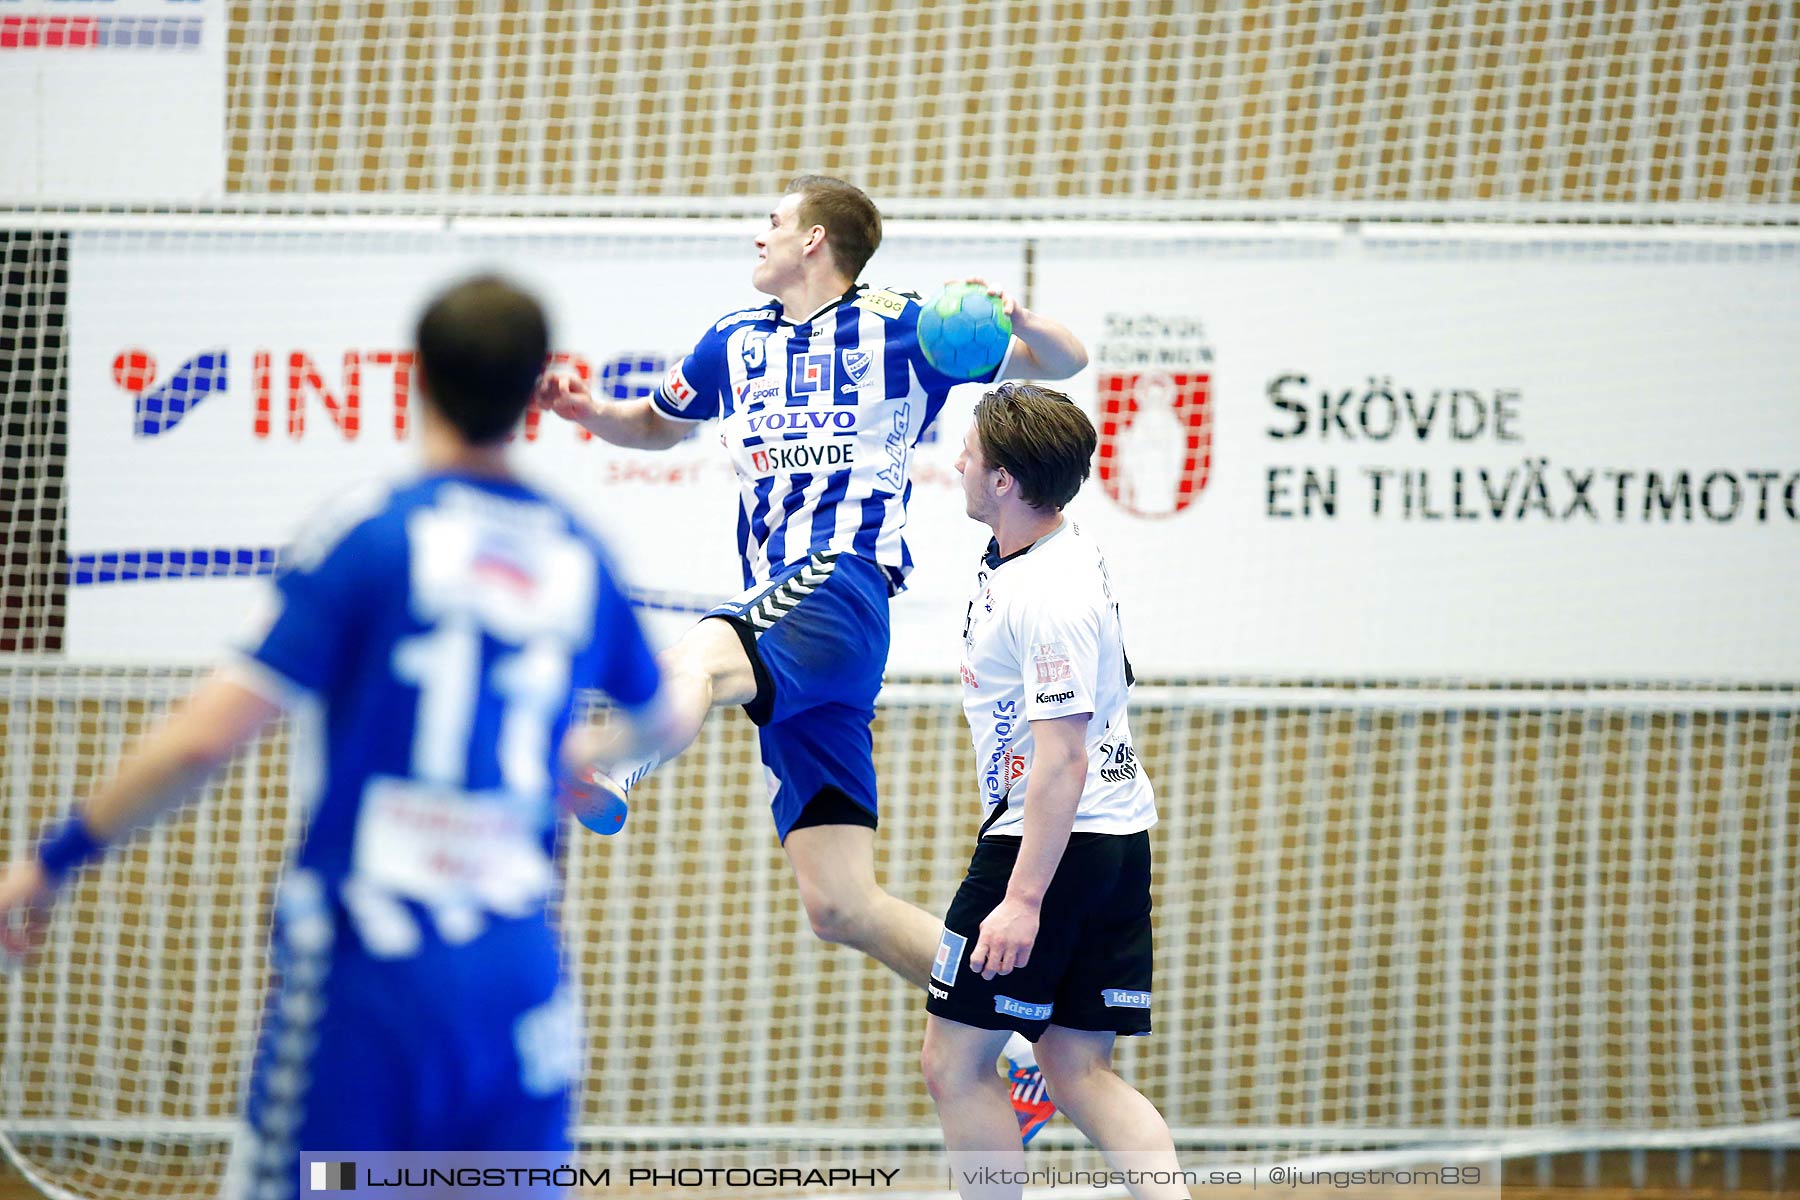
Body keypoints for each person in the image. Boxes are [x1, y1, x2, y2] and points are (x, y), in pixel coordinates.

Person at [0, 276, 680, 1197]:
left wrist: (52, 860)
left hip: (372, 976)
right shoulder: (577, 551)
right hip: (519, 983)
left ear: (416, 380)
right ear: (533, 398)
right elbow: (665, 713)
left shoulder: (373, 534)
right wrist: (577, 757)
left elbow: (204, 740)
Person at [536, 175, 1087, 1130]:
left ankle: (621, 760)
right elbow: (658, 425)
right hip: (796, 635)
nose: (760, 234)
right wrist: (587, 412)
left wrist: (1028, 327)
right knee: (840, 903)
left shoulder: (905, 325)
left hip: (840, 585)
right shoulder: (733, 339)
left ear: (818, 241)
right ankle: (1027, 1014)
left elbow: (1068, 363)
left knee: (704, 654)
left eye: (776, 223)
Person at [921, 383, 1185, 1199]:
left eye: (972, 453)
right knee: (1075, 1067)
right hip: (1110, 837)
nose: (958, 460)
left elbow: (1061, 758)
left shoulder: (1050, 595)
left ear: (1005, 481)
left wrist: (1024, 898)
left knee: (953, 1063)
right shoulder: (1041, 549)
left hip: (1047, 845)